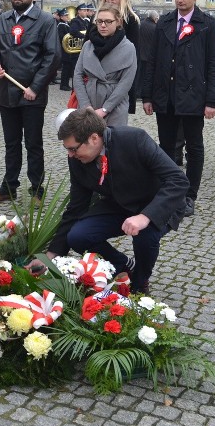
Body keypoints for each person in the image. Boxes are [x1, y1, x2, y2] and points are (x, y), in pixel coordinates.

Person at [46, 108, 189, 293]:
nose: (70, 155)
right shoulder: (77, 159)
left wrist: (145, 216)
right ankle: (122, 266)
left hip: (156, 203)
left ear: (94, 138)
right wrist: (52, 254)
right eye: (68, 149)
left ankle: (139, 284)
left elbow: (178, 180)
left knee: (144, 236)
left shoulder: (134, 139)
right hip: (120, 204)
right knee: (78, 236)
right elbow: (76, 207)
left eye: (73, 148)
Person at [142, 0, 215, 217]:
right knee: (165, 147)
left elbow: (214, 64)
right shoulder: (164, 23)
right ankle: (168, 191)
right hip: (165, 95)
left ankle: (189, 195)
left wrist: (212, 100)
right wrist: (147, 96)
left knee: (194, 147)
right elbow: (152, 61)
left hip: (194, 96)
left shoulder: (208, 24)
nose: (180, 0)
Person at [0, 0, 59, 203]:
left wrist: (35, 87)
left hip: (32, 95)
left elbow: (52, 57)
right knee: (11, 144)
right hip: (8, 93)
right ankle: (8, 189)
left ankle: (36, 190)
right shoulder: (4, 19)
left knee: (33, 144)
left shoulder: (45, 21)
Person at [72, 3, 137, 127]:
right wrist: (86, 105)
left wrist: (106, 109)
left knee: (112, 143)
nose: (102, 25)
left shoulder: (128, 47)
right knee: (88, 143)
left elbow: (126, 82)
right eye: (99, 21)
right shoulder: (88, 45)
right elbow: (77, 75)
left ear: (118, 22)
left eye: (108, 21)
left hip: (114, 105)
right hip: (89, 101)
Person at [137, 10, 159, 101]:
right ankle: (143, 93)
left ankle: (136, 92)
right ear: (155, 18)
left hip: (138, 54)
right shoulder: (155, 28)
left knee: (137, 76)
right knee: (146, 77)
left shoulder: (140, 24)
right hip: (149, 56)